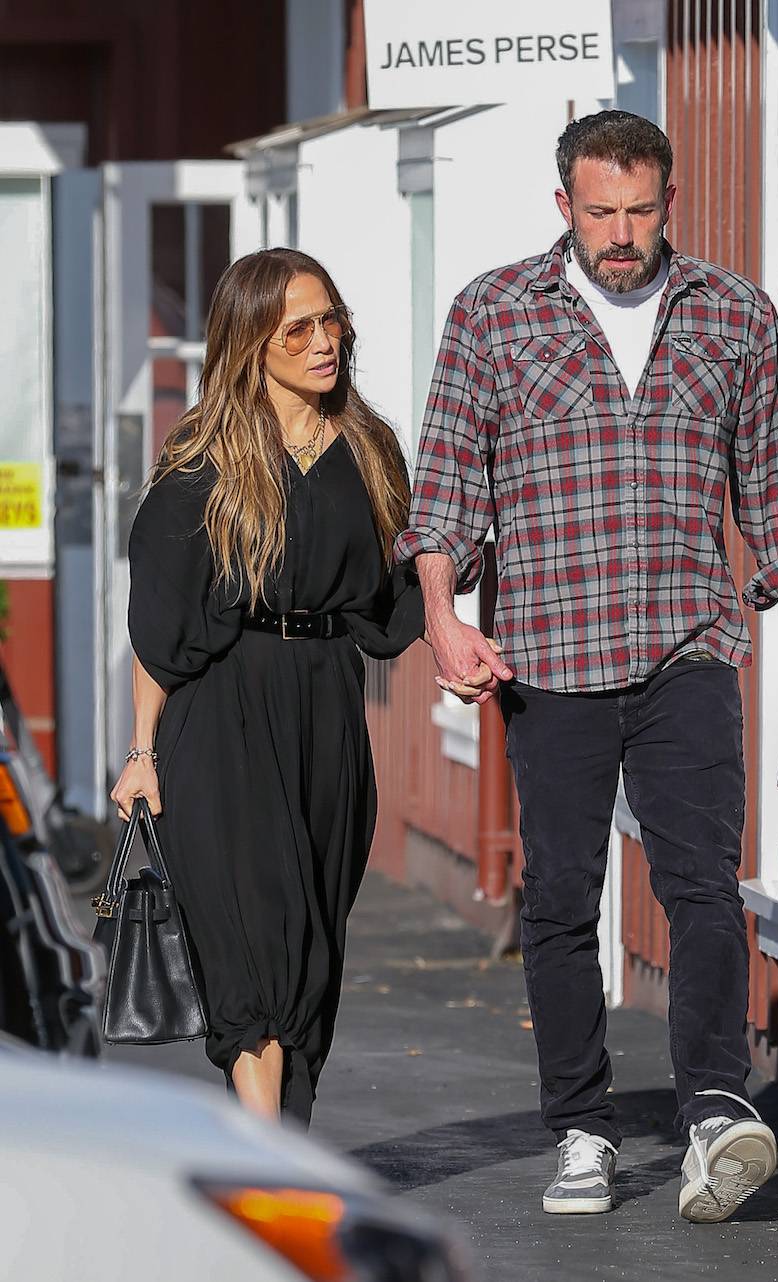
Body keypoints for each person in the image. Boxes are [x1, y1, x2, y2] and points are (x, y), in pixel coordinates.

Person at [394, 111, 778, 1222]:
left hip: (687, 643)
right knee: (562, 901)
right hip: (548, 655)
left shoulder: (733, 316)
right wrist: (440, 617)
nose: (620, 234)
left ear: (669, 202)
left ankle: (711, 1109)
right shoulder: (492, 313)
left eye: (638, 212)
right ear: (562, 205)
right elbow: (448, 489)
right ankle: (582, 1130)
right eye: (598, 212)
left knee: (702, 883)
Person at [110, 248, 425, 1125]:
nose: (326, 341)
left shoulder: (369, 449)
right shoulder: (203, 461)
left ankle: (279, 1147)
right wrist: (142, 753)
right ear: (252, 343)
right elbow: (159, 628)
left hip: (325, 708)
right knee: (254, 948)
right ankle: (267, 1165)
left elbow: (395, 595)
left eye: (333, 321)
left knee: (313, 946)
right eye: (300, 328)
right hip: (219, 714)